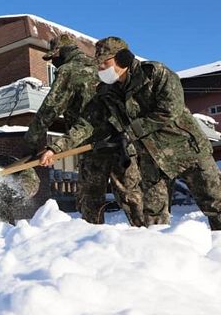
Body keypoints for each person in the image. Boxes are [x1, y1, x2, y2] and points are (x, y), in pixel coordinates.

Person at [41, 36, 221, 236]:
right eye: (98, 65)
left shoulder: (156, 74)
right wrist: (55, 148)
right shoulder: (106, 92)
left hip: (188, 152)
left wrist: (130, 130)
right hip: (151, 162)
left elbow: (170, 110)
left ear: (123, 58)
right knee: (153, 220)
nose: (100, 69)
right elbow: (89, 124)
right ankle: (162, 261)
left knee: (215, 207)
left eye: (105, 63)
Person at [26, 33, 144, 226]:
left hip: (93, 146)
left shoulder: (68, 70)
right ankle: (149, 239)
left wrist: (31, 143)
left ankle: (91, 247)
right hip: (123, 142)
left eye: (53, 59)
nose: (54, 64)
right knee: (132, 197)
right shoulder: (102, 66)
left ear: (60, 54)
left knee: (90, 202)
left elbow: (49, 110)